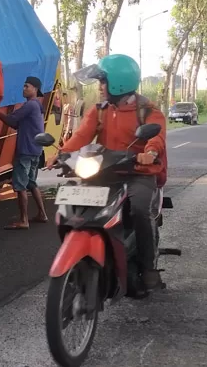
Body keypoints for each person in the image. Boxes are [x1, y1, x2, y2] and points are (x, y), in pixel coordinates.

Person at [47, 54, 168, 290]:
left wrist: (150, 153)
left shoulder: (148, 111)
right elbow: (82, 135)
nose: (100, 88)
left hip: (138, 172)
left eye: (103, 82)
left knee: (140, 210)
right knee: (72, 204)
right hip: (103, 172)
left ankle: (148, 267)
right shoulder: (99, 110)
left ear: (118, 82)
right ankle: (85, 250)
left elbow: (157, 137)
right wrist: (61, 153)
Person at [0, 77, 49, 229]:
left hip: (25, 150)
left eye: (27, 86)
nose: (23, 89)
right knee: (32, 183)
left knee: (20, 185)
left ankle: (23, 220)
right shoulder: (38, 106)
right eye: (23, 86)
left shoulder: (30, 105)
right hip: (36, 150)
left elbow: (12, 121)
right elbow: (19, 125)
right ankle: (42, 214)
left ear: (35, 89)